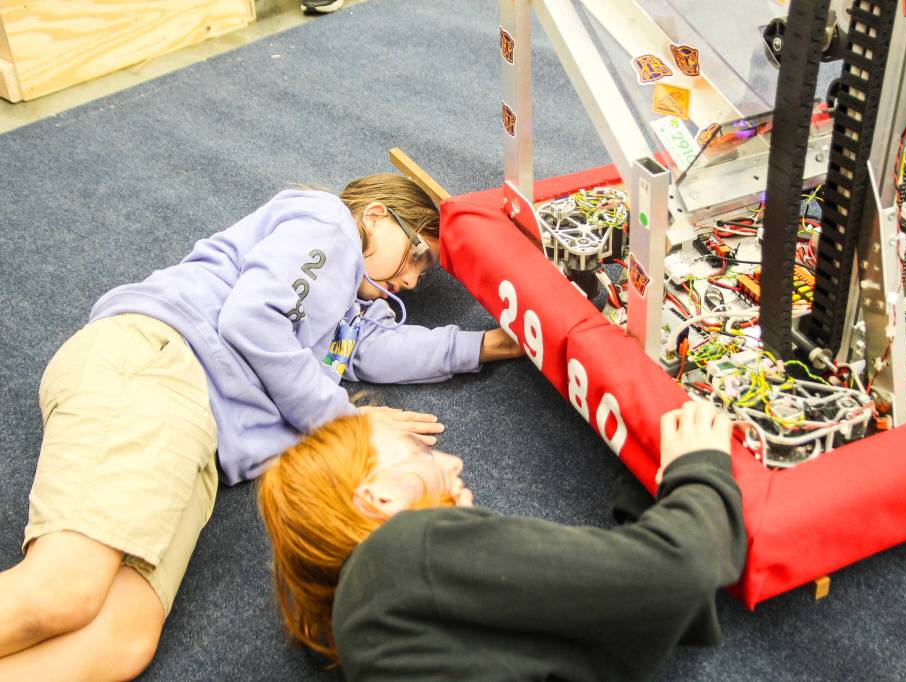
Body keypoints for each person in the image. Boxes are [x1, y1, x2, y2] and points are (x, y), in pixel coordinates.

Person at [0, 173, 522, 680]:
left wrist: (490, 345)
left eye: (423, 273)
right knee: (63, 590)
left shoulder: (350, 310)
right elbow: (253, 320)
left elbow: (379, 349)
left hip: (202, 435)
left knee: (123, 637)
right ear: (376, 216)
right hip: (162, 361)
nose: (411, 279)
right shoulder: (329, 225)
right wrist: (345, 423)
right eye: (417, 255)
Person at [258, 400, 747, 680]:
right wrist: (699, 469)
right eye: (417, 452)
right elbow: (676, 575)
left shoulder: (371, 622)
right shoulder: (404, 550)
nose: (453, 463)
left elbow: (604, 626)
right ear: (378, 498)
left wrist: (642, 494)